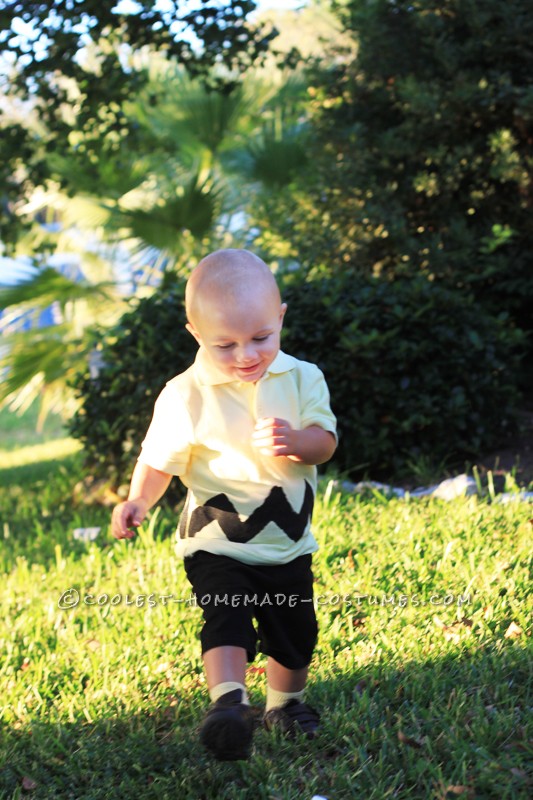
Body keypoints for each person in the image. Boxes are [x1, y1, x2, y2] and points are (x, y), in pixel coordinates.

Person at [111, 248, 337, 761]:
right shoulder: (184, 395)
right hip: (217, 539)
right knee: (227, 615)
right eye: (225, 345)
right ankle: (228, 705)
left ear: (279, 317)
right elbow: (159, 460)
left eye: (261, 337)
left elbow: (326, 443)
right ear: (195, 333)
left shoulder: (303, 378)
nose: (246, 355)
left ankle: (284, 704)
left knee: (295, 633)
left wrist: (298, 440)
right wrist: (138, 500)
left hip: (288, 543)